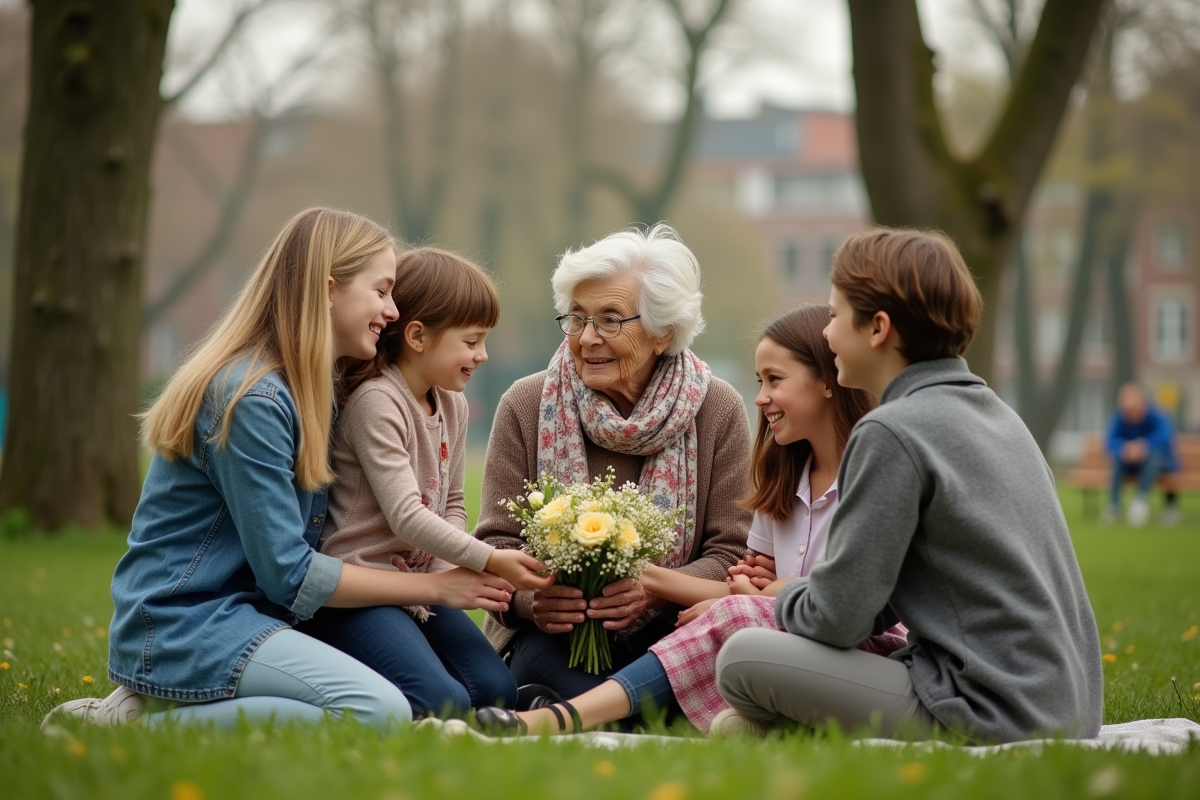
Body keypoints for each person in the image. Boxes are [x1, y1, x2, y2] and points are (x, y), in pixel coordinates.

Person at [43, 208, 513, 730]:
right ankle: (131, 724)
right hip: (190, 623)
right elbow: (290, 573)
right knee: (380, 711)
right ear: (330, 289)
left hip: (260, 616)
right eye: (381, 291)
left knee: (438, 696)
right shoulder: (254, 399)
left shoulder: (318, 387)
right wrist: (434, 588)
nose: (393, 311)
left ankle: (169, 702)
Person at [714, 227, 1103, 744]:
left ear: (877, 328)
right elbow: (878, 606)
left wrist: (767, 596)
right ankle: (793, 729)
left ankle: (790, 728)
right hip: (1069, 704)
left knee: (742, 656)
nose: (827, 334)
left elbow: (839, 619)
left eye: (834, 315)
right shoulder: (1002, 417)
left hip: (988, 711)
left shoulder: (892, 430)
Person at [473, 305, 907, 735]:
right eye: (578, 317)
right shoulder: (783, 481)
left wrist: (748, 596)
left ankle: (558, 717)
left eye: (775, 380)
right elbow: (745, 584)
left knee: (736, 621)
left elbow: (818, 597)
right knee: (731, 624)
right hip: (779, 642)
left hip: (851, 649)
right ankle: (664, 720)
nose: (761, 397)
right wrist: (602, 584)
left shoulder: (871, 474)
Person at [473, 223, 752, 700]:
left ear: (663, 333)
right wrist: (532, 602)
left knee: (688, 661)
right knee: (546, 661)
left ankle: (572, 709)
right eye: (577, 318)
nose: (587, 338)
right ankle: (627, 711)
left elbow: (732, 557)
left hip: (670, 633)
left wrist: (657, 588)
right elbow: (494, 547)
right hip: (550, 638)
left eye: (610, 319)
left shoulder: (717, 409)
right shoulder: (526, 402)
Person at [299, 248, 551, 718]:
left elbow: (450, 503)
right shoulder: (376, 402)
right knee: (441, 700)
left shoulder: (451, 405)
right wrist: (490, 559)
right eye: (472, 341)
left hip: (418, 586)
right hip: (359, 590)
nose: (483, 354)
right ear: (417, 336)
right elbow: (407, 515)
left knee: (494, 687)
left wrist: (442, 571)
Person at [1104, 383, 1180, 527]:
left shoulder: (1157, 416)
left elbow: (1165, 437)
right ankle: (1114, 506)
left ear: (1142, 403)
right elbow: (1109, 441)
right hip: (1132, 463)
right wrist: (1125, 448)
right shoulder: (1120, 418)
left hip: (1162, 463)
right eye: (1127, 411)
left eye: (1134, 410)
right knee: (1117, 458)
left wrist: (1144, 446)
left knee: (1153, 457)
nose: (1131, 415)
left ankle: (1141, 500)